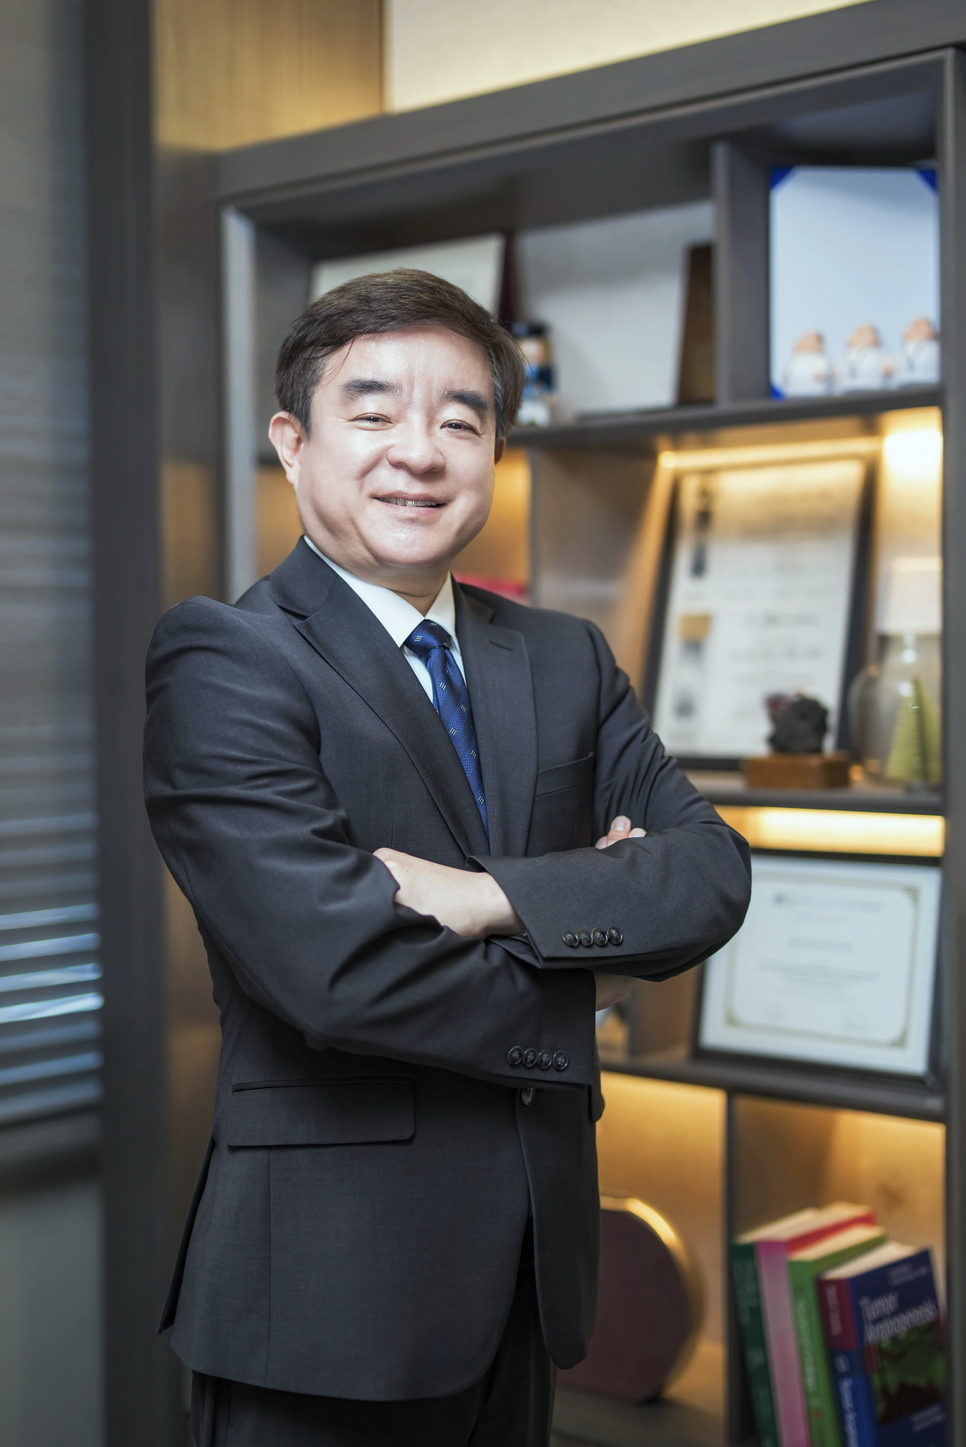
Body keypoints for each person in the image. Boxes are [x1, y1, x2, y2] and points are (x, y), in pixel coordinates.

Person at [143, 268, 751, 1447]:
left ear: (496, 453)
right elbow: (334, 969)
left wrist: (488, 896)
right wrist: (588, 969)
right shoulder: (228, 660)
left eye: (460, 421)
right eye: (372, 412)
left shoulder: (565, 658)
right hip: (327, 1297)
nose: (418, 453)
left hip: (531, 1279)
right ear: (293, 444)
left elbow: (710, 871)